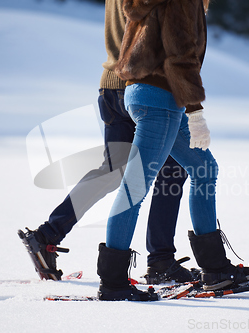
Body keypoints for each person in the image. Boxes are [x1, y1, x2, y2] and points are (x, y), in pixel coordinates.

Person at [18, 0, 197, 284]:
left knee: (113, 171)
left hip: (111, 86)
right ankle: (161, 260)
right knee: (171, 170)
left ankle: (48, 234)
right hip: (146, 86)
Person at [96, 0, 249, 301]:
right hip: (161, 97)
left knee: (203, 169)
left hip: (143, 92)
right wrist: (195, 112)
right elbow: (180, 55)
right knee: (135, 187)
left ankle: (215, 269)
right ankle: (113, 282)